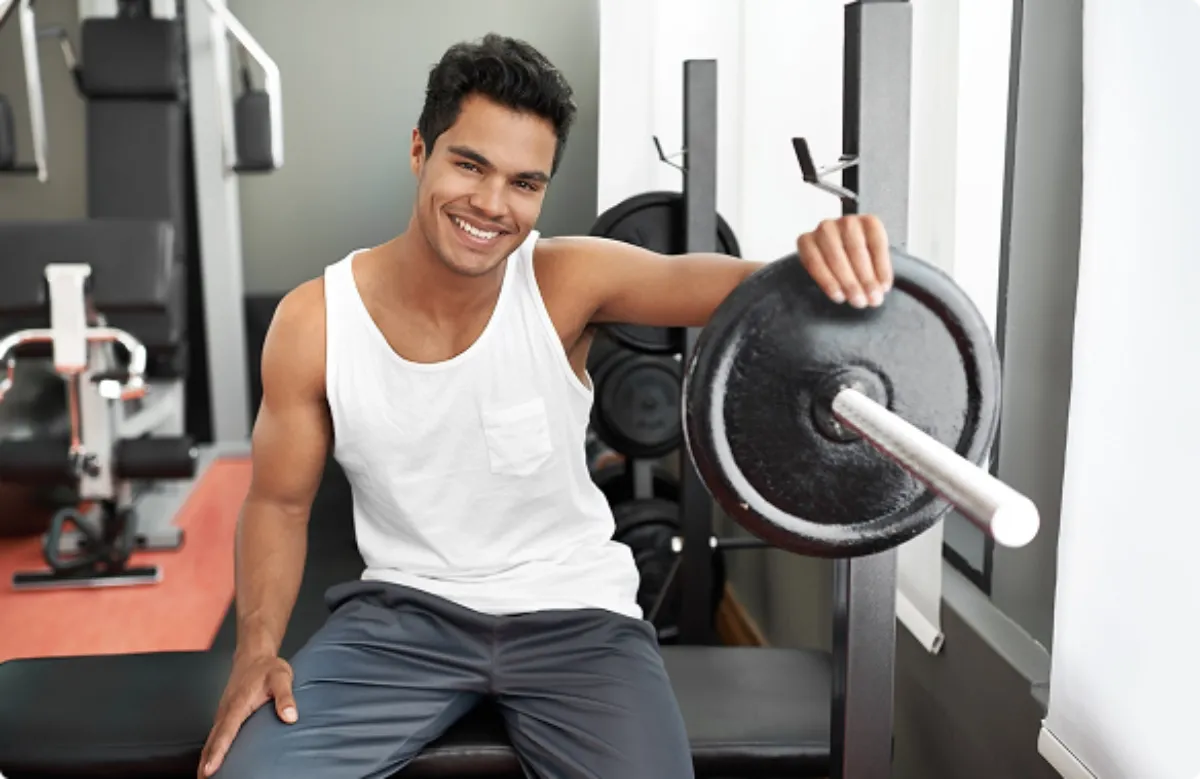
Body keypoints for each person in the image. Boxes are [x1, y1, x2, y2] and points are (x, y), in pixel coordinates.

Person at [200, 33, 893, 779]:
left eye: (525, 183)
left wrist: (822, 259)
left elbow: (744, 290)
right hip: (402, 616)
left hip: (579, 621)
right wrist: (257, 649)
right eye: (470, 164)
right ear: (418, 151)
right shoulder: (316, 322)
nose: (492, 205)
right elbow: (277, 503)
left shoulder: (566, 279)